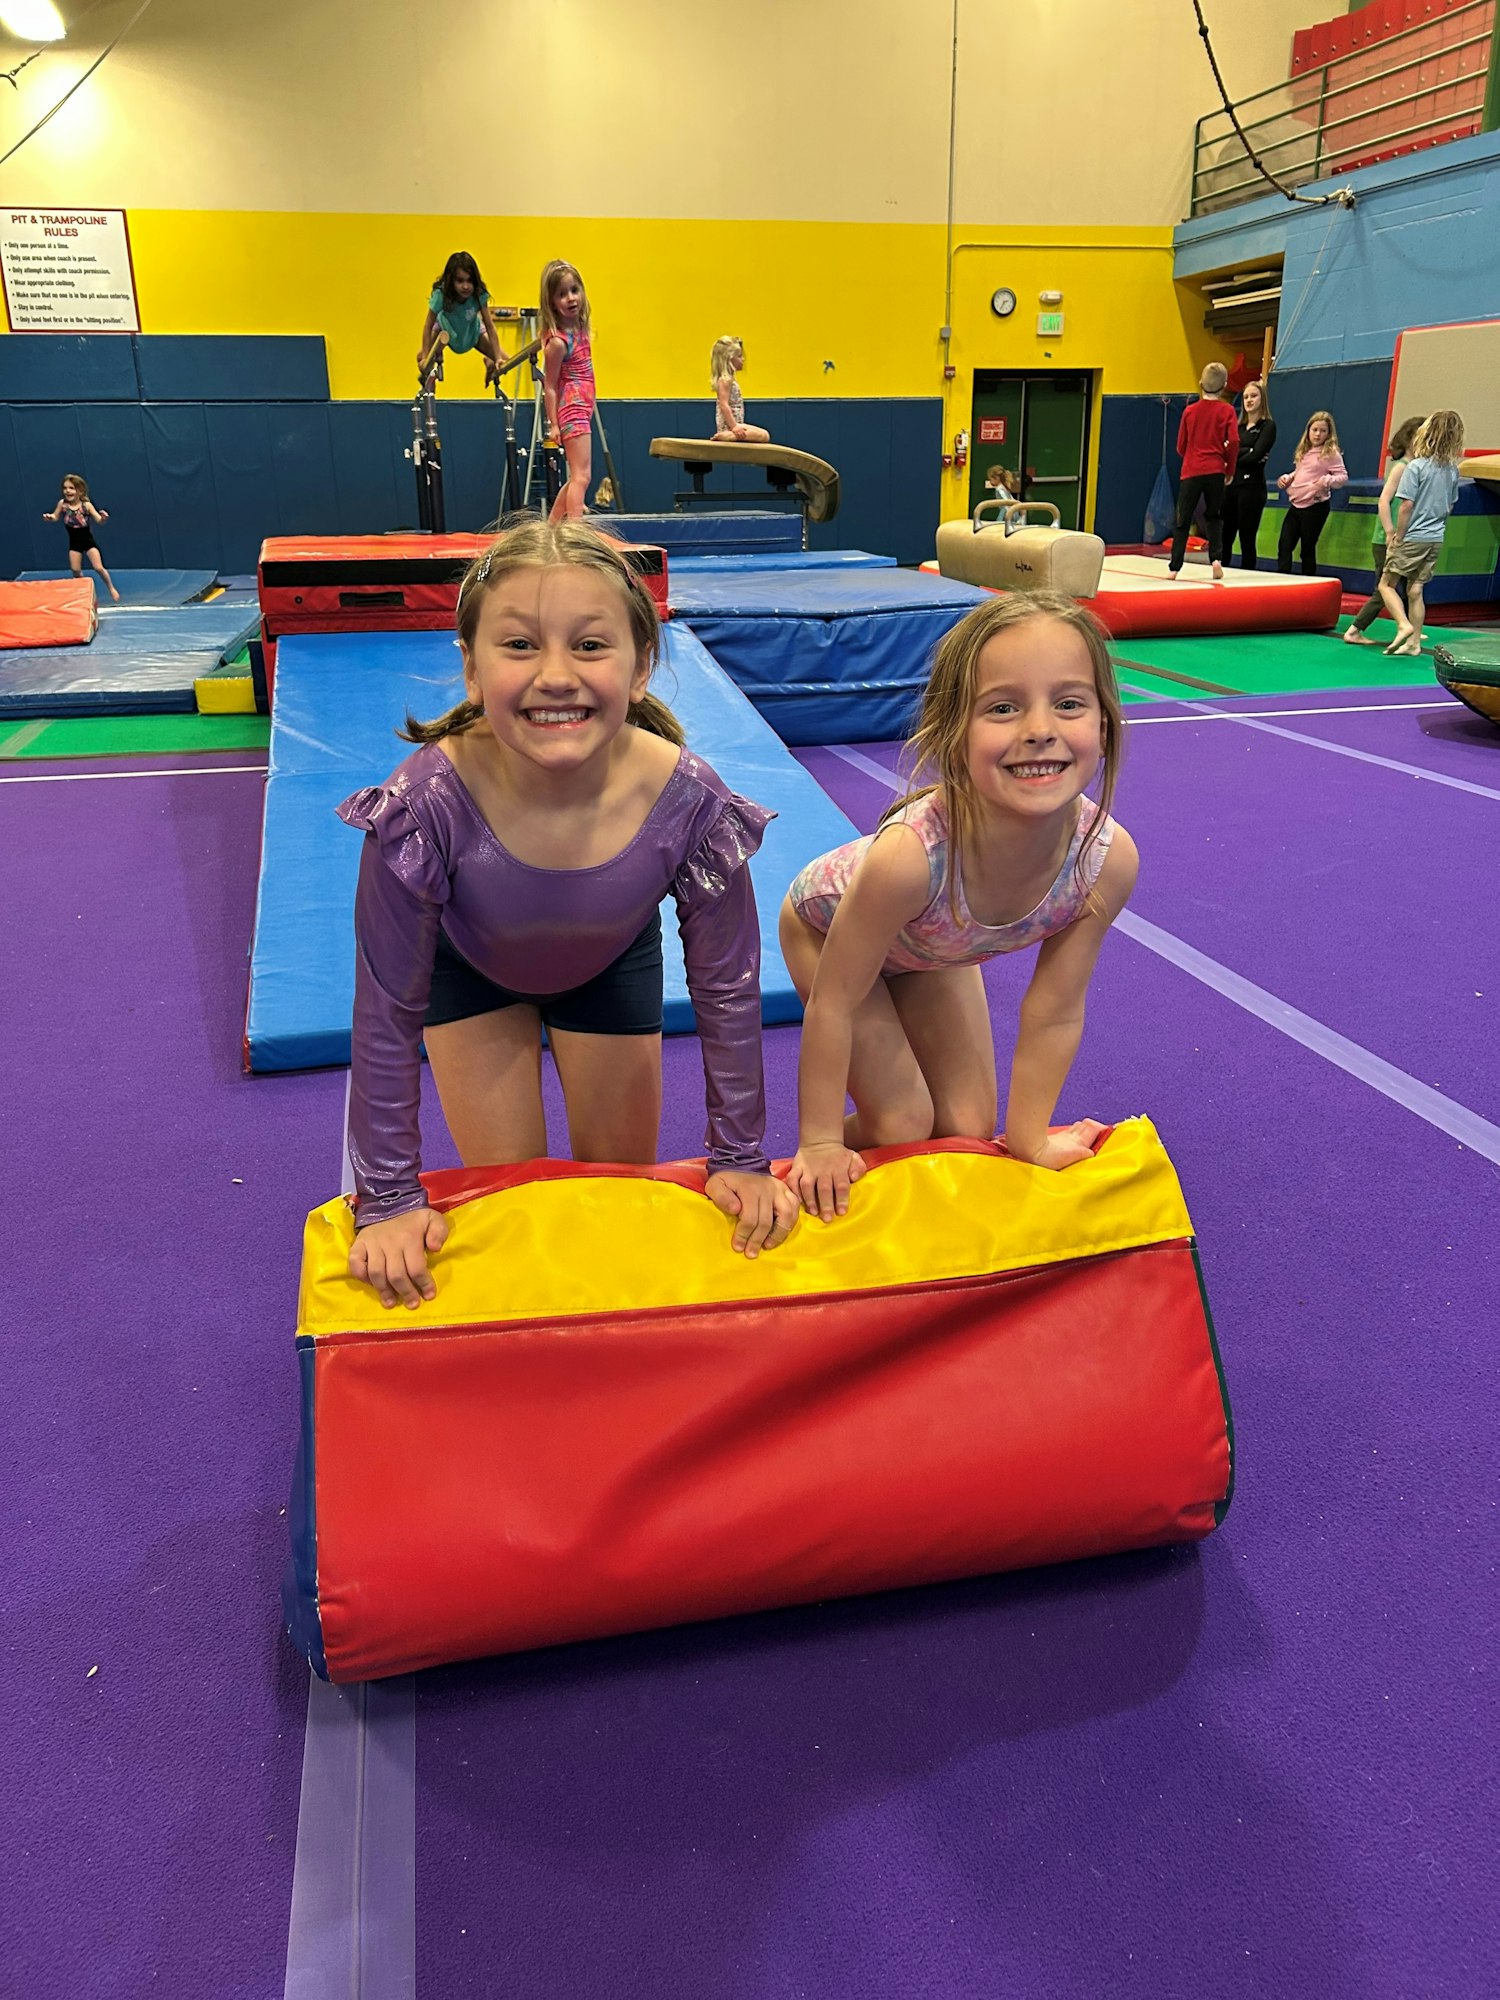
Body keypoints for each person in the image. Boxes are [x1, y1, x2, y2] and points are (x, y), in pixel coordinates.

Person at [338, 518, 799, 1308]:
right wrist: (386, 1198)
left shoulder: (688, 801)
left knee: (618, 1198)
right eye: (519, 646)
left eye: (590, 646)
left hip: (610, 962)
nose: (557, 674)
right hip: (469, 974)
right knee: (518, 1204)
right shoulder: (423, 807)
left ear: (642, 664)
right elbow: (386, 1012)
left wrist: (741, 1157)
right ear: (472, 669)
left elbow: (728, 992)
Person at [778, 592, 1138, 1223]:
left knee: (969, 1125)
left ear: (1104, 723)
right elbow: (833, 1001)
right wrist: (819, 1142)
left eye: (1070, 703)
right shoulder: (909, 860)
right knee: (904, 1122)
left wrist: (1028, 1141)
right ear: (954, 732)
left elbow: (1054, 1011)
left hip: (932, 949)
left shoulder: (1105, 860)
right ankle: (834, 1147)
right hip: (827, 929)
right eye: (1003, 707)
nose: (1039, 729)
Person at [1377, 408, 1466, 657]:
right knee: (1416, 590)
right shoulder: (1451, 470)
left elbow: (1406, 505)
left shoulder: (1416, 467)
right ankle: (1415, 642)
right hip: (1435, 537)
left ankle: (1404, 625)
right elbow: (1449, 506)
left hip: (1414, 535)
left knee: (1386, 584)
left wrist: (1398, 534)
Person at [1342, 415, 1424, 646]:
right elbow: (1384, 501)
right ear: (1409, 441)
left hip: (1406, 537)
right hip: (1386, 539)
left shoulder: (1417, 469)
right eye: (1420, 438)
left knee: (1410, 584)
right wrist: (1389, 532)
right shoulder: (1401, 468)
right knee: (1384, 588)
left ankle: (1411, 629)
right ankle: (1354, 630)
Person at [1169, 362, 1239, 581]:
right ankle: (1216, 559)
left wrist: (1189, 453)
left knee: (1183, 519)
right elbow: (1234, 440)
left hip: (1192, 469)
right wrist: (1229, 467)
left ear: (1200, 383)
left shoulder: (1190, 411)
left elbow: (1181, 445)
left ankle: (1174, 567)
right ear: (1225, 385)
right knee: (1214, 516)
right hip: (1216, 469)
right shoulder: (1227, 410)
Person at [540, 259, 595, 521]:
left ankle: (551, 528)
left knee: (577, 476)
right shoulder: (558, 342)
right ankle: (574, 531)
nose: (571, 298)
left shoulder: (580, 328)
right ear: (551, 302)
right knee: (583, 477)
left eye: (574, 290)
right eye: (562, 294)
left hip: (582, 408)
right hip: (571, 409)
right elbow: (549, 385)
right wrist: (553, 424)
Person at [418, 251, 507, 385]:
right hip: (444, 331)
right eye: (460, 281)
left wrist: (498, 358)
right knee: (422, 358)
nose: (465, 286)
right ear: (451, 280)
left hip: (473, 332)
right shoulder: (441, 294)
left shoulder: (478, 293)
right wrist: (425, 357)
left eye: (469, 281)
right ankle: (430, 387)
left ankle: (490, 363)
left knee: (506, 361)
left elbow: (490, 326)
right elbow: (428, 325)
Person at [1276, 412, 1347, 574]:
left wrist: (1326, 481)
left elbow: (1342, 477)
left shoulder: (1331, 453)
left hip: (1315, 506)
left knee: (1307, 548)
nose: (1317, 434)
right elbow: (1300, 472)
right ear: (1308, 431)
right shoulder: (1305, 451)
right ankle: (1282, 578)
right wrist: (1288, 478)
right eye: (1314, 430)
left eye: (1322, 431)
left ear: (1329, 434)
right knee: (1285, 544)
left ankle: (1308, 582)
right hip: (1296, 505)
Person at [1221, 379, 1276, 570]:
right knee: (1225, 535)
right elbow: (1225, 452)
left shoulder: (1267, 426)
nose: (1249, 400)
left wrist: (1238, 454)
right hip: (1231, 486)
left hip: (1252, 489)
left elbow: (1257, 455)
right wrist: (1246, 451)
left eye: (1253, 396)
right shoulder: (1238, 428)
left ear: (1262, 399)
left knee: (1246, 536)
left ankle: (1248, 575)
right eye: (1245, 397)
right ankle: (1221, 571)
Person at [41, 474, 120, 601]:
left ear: (80, 491)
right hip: (74, 542)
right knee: (75, 570)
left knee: (98, 567)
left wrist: (104, 518)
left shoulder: (86, 506)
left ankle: (111, 588)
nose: (67, 491)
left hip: (88, 541)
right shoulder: (63, 505)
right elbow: (55, 517)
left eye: (71, 488)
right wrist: (49, 517)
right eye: (65, 488)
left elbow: (99, 520)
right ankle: (84, 593)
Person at [710, 336, 771, 443]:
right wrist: (734, 427)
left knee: (764, 435)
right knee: (764, 435)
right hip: (730, 426)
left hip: (736, 425)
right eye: (739, 356)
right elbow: (723, 405)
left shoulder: (729, 380)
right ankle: (729, 436)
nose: (743, 359)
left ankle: (730, 435)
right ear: (729, 359)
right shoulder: (725, 380)